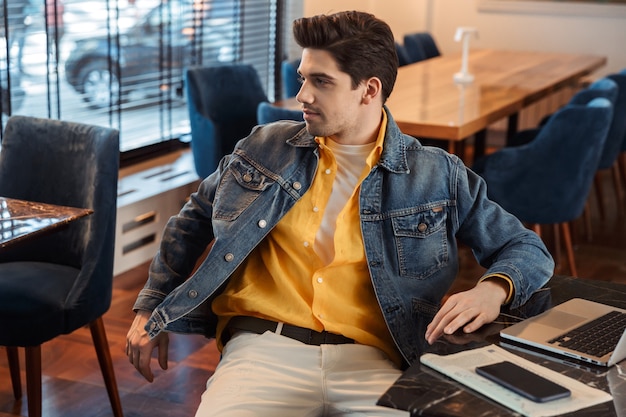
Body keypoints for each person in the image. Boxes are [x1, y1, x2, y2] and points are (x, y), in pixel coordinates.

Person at [126, 10, 554, 416]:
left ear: (369, 90)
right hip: (262, 351)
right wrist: (150, 306)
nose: (302, 96)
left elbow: (525, 247)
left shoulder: (437, 174)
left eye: (321, 82)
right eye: (302, 79)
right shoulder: (263, 148)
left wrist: (493, 289)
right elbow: (192, 219)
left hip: (376, 357)